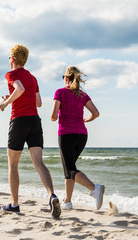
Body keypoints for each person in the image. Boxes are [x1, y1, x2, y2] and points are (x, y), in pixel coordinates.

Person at [0, 44, 61, 219]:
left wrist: (6, 103)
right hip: (35, 121)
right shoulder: (33, 78)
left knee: (12, 164)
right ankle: (52, 196)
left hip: (19, 121)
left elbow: (19, 89)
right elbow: (38, 102)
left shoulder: (11, 74)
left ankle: (15, 205)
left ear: (12, 59)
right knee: (38, 163)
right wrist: (15, 98)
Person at [50, 66, 105, 210]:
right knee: (70, 168)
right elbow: (96, 113)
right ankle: (67, 201)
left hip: (66, 135)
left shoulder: (60, 92)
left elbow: (54, 116)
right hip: (82, 136)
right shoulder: (82, 95)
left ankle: (94, 188)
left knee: (69, 170)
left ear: (66, 78)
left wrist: (53, 116)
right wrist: (84, 120)